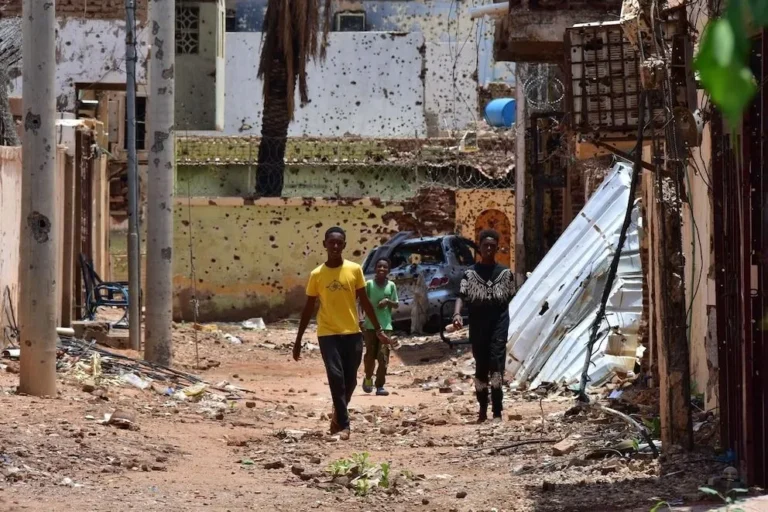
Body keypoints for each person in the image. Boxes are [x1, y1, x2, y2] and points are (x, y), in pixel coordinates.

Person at [293, 227, 390, 441]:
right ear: (325, 244)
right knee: (336, 378)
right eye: (331, 242)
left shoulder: (355, 270)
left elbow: (364, 301)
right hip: (327, 334)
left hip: (353, 333)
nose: (335, 246)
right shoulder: (317, 275)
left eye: (339, 243)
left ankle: (337, 415)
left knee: (351, 381)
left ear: (344, 245)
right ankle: (345, 425)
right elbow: (309, 307)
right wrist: (298, 340)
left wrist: (379, 329)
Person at [452, 229, 516, 423]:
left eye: (492, 245)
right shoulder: (470, 274)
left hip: (499, 324)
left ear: (497, 247)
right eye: (485, 245)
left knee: (496, 365)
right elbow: (461, 296)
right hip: (478, 325)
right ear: (479, 247)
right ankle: (482, 409)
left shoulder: (505, 274)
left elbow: (511, 297)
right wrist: (457, 314)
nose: (488, 249)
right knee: (481, 367)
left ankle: (497, 410)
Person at [360, 258, 399, 397]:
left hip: (386, 326)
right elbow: (361, 302)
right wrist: (361, 319)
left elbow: (396, 304)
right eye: (379, 266)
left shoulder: (391, 286)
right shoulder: (369, 284)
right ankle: (368, 377)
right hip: (370, 326)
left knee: (383, 356)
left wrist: (388, 301)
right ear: (375, 268)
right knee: (370, 355)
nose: (382, 269)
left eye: (385, 267)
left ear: (388, 270)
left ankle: (380, 385)